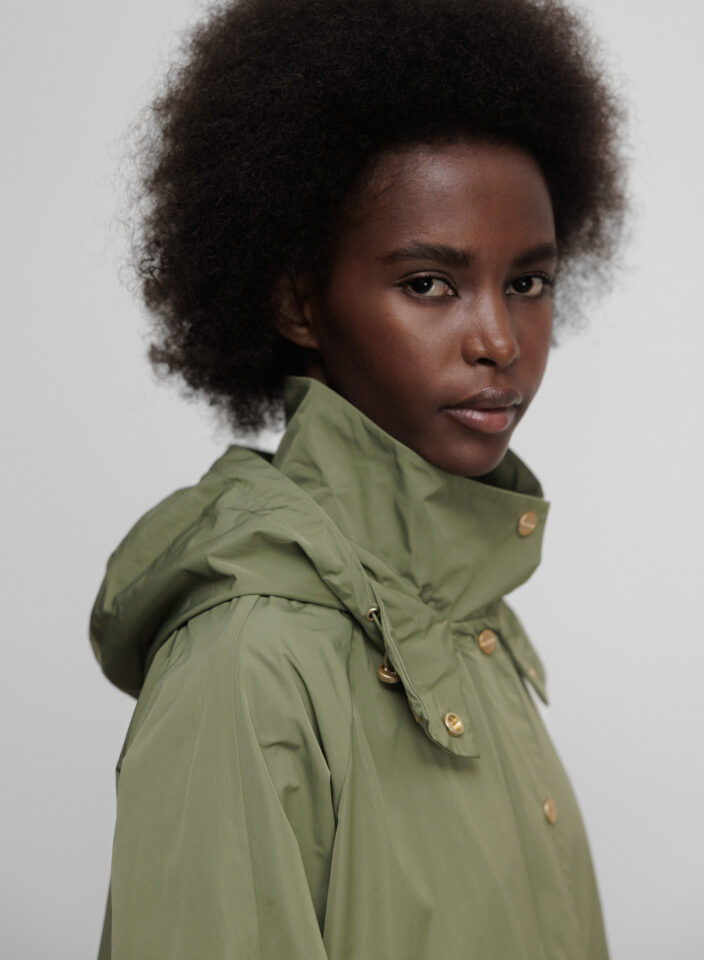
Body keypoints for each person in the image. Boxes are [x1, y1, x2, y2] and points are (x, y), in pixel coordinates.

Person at [91, 0, 627, 956]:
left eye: (528, 282)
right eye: (429, 284)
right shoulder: (248, 664)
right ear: (299, 301)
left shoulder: (468, 620)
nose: (499, 340)